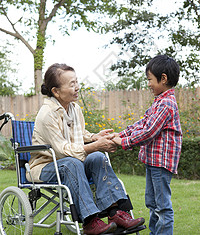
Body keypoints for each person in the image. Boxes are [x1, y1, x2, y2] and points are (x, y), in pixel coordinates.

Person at [26, 63, 145, 235]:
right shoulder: (47, 114)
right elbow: (61, 150)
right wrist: (94, 145)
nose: (77, 87)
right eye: (71, 84)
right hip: (45, 167)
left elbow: (80, 134)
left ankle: (114, 213)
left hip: (70, 163)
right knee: (72, 163)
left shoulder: (75, 109)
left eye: (76, 82)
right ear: (56, 91)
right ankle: (90, 222)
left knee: (97, 157)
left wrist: (95, 137)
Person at [112, 55, 182, 235]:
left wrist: (124, 142)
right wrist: (119, 134)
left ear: (163, 78)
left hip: (161, 162)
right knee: (152, 202)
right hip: (153, 162)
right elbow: (142, 123)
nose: (149, 84)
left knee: (162, 206)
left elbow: (149, 131)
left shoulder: (166, 104)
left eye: (150, 79)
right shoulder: (159, 102)